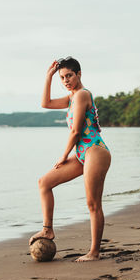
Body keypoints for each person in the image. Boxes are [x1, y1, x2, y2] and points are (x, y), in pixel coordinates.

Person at [29, 57, 111, 262]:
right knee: (44, 183)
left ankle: (94, 252)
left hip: (95, 151)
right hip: (83, 154)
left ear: (79, 74)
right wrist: (48, 76)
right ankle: (47, 230)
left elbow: (76, 132)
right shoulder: (71, 98)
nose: (65, 80)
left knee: (93, 203)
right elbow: (45, 103)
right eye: (62, 77)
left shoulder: (82, 95)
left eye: (69, 76)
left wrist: (64, 156)